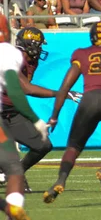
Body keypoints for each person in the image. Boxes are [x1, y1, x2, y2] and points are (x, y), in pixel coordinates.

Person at [43, 22, 101, 203]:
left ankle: (60, 180)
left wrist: (54, 115)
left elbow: (65, 87)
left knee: (73, 147)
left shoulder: (82, 54)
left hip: (89, 101)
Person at [1, 29, 81, 193]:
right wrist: (61, 94)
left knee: (43, 145)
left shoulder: (31, 61)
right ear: (29, 45)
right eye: (38, 46)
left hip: (12, 112)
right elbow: (27, 88)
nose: (40, 50)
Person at [0, 14, 46, 220]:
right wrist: (60, 94)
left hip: (9, 113)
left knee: (16, 167)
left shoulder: (26, 58)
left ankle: (12, 219)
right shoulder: (10, 55)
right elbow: (23, 90)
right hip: (6, 111)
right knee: (12, 167)